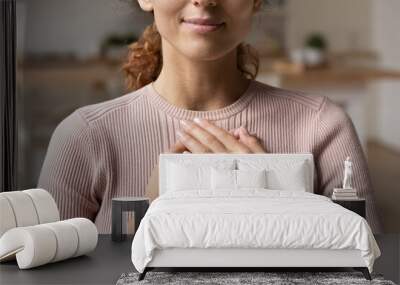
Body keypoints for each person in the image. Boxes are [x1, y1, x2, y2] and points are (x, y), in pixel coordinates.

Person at [37, 0, 383, 234]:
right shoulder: (84, 138)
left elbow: (369, 269)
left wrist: (280, 204)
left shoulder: (323, 127)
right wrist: (155, 217)